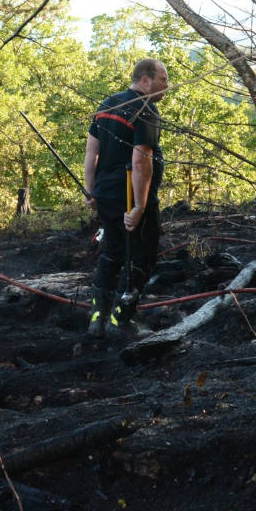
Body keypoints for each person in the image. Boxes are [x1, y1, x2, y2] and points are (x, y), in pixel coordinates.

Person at [83, 58, 169, 339]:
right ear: (146, 79)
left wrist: (91, 190)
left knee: (112, 252)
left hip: (106, 194)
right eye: (163, 79)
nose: (167, 86)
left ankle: (98, 320)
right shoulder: (145, 109)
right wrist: (140, 207)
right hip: (130, 196)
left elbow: (91, 151)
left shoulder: (108, 104)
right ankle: (120, 321)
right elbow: (141, 159)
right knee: (141, 257)